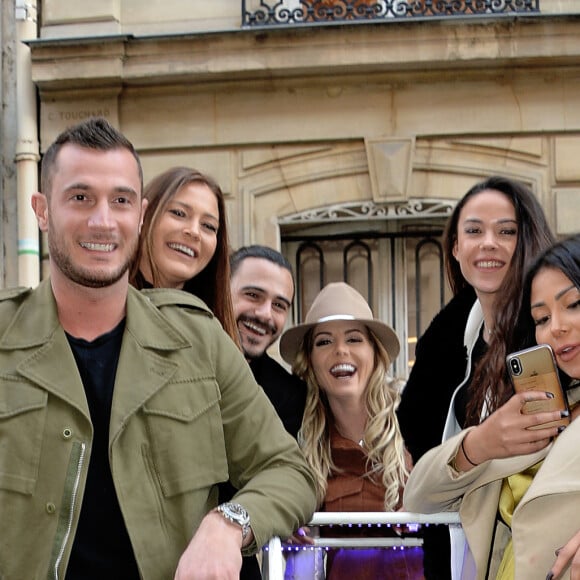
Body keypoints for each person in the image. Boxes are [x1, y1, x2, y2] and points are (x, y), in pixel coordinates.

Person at [0, 116, 316, 579]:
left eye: (121, 200)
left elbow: (289, 470)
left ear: (141, 213)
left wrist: (228, 524)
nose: (103, 220)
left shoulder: (199, 341)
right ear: (42, 210)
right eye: (81, 197)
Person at [396, 175, 555, 578]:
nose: (488, 243)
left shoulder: (549, 339)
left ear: (529, 240)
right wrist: (478, 445)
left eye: (506, 231)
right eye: (474, 231)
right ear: (455, 247)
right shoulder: (459, 342)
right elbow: (420, 491)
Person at [279, 282, 423, 579]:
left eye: (354, 339)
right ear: (310, 361)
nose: (340, 350)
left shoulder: (416, 415)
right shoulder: (297, 438)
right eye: (324, 342)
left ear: (374, 353)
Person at [130, 166, 239, 343]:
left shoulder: (214, 337)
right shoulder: (99, 306)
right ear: (144, 214)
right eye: (179, 213)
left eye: (208, 226)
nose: (194, 232)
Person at [230, 244, 307, 437]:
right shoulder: (176, 360)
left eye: (279, 305)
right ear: (221, 289)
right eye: (253, 295)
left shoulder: (289, 399)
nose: (265, 314)